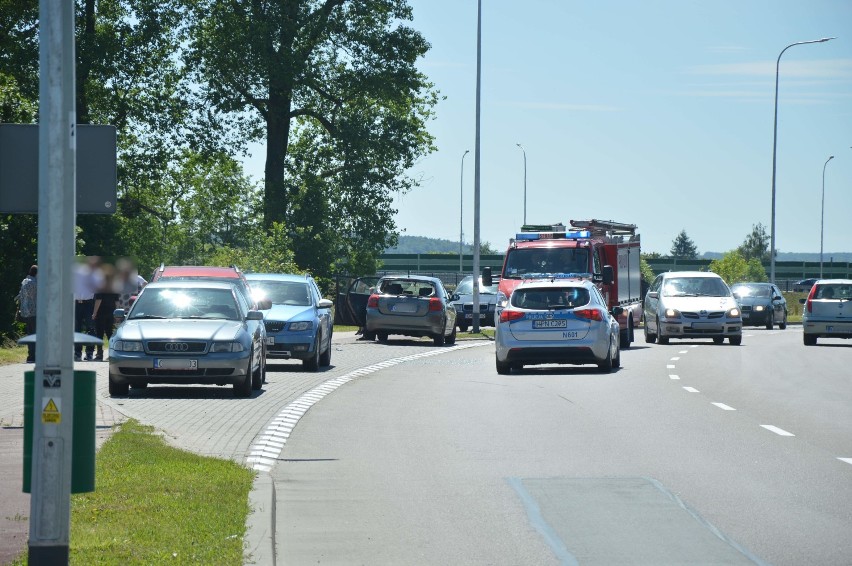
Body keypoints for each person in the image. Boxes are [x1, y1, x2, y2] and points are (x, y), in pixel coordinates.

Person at [74, 256, 104, 361]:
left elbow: (99, 292)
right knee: (76, 329)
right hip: (76, 303)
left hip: (88, 304)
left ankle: (89, 353)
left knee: (91, 329)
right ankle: (77, 353)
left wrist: (95, 311)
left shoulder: (96, 275)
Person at [91, 266, 120, 361]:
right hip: (111, 313)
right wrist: (117, 313)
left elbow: (98, 300)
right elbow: (117, 301)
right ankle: (112, 354)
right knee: (109, 334)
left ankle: (99, 355)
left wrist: (94, 313)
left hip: (101, 313)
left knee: (99, 334)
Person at [16, 265, 38, 363]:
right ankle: (35, 356)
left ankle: (30, 356)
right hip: (34, 312)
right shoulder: (35, 283)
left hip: (25, 313)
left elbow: (19, 297)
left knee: (30, 334)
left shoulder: (24, 281)